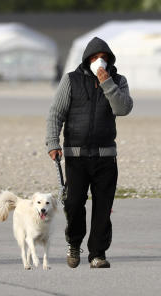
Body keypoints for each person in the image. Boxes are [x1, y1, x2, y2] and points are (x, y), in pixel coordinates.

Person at [46, 37, 133, 269]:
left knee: (103, 208)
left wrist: (107, 83)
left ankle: (97, 253)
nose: (99, 62)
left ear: (109, 60)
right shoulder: (71, 80)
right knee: (73, 204)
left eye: (103, 58)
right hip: (76, 156)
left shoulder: (118, 81)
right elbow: (56, 113)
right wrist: (52, 142)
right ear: (87, 60)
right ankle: (74, 243)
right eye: (95, 58)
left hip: (106, 157)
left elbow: (123, 108)